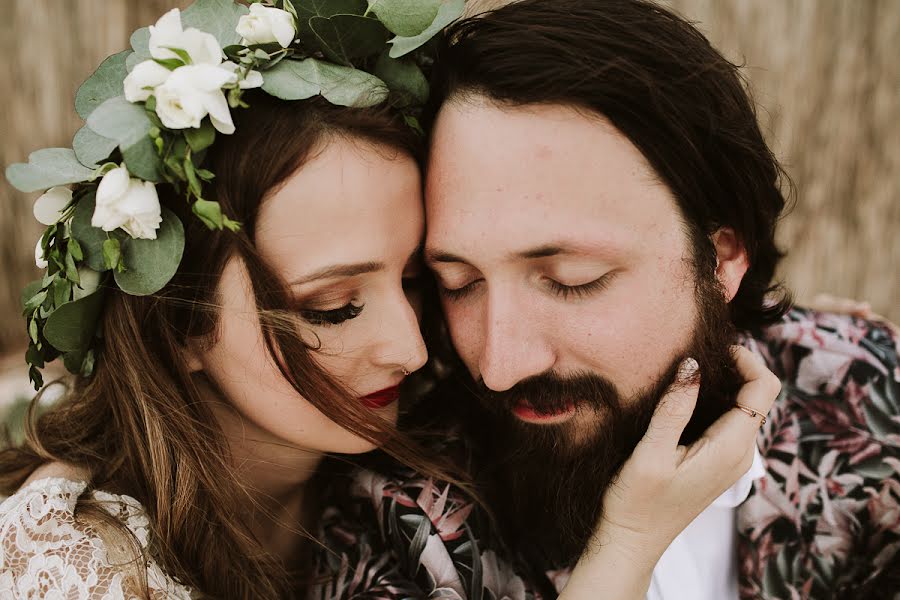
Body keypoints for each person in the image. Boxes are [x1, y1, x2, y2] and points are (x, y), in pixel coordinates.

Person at [0, 2, 780, 599]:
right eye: (335, 306)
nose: (417, 348)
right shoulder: (73, 566)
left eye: (421, 284)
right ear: (177, 326)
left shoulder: (403, 457)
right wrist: (628, 545)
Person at [316, 0, 900, 598]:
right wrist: (625, 547)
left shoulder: (858, 392)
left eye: (572, 279)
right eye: (459, 284)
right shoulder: (398, 525)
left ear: (722, 257)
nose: (499, 366)